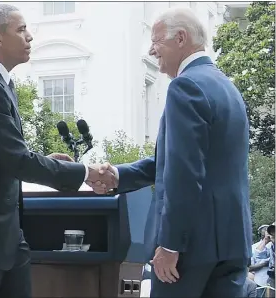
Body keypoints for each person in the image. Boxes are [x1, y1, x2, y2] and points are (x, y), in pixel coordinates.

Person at [0, 4, 112, 298]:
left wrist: (45, 161)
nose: (30, 36)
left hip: (5, 234)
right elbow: (17, 160)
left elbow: (4, 154)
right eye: (21, 29)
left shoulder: (0, 83)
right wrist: (86, 172)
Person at [88, 6, 252, 298]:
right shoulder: (227, 88)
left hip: (189, 250)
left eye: (156, 40)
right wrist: (118, 175)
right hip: (232, 244)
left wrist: (170, 245)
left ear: (181, 38)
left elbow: (183, 173)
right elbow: (177, 161)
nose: (151, 50)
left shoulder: (185, 86)